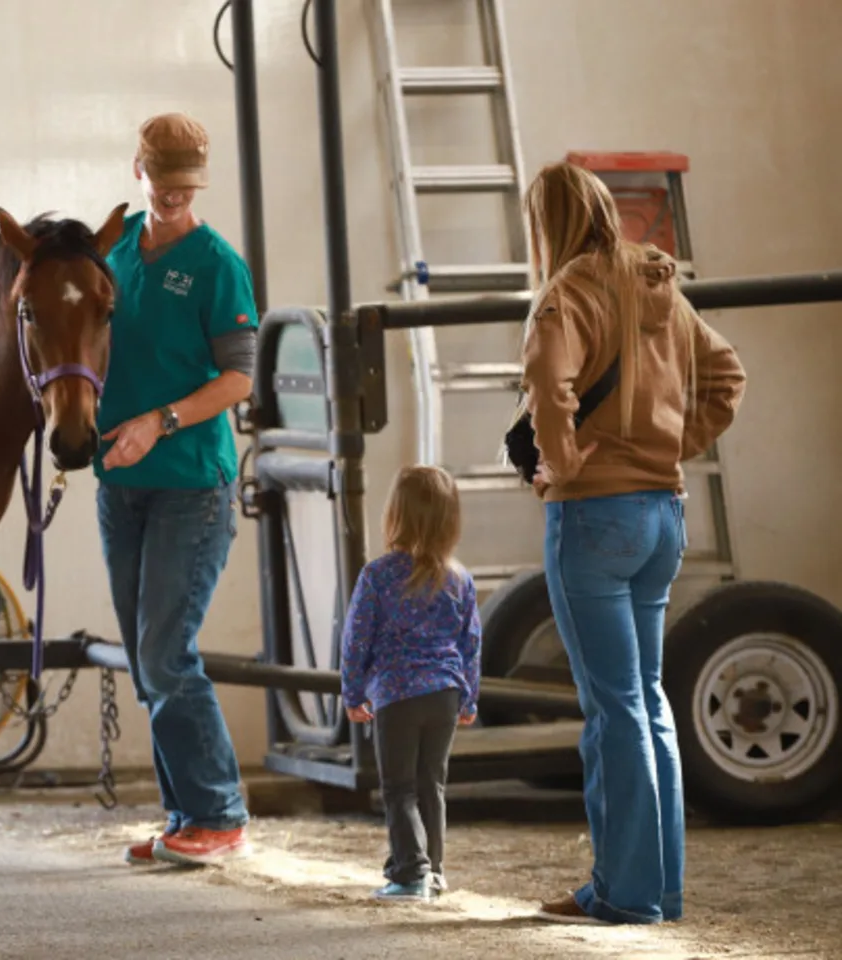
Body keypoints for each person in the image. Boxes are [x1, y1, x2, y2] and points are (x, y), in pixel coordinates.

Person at [518, 162, 746, 925]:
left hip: (594, 519)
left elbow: (550, 385)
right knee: (647, 703)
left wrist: (564, 463)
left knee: (612, 709)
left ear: (545, 224)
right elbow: (727, 375)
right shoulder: (660, 287)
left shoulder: (566, 294)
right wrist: (673, 445)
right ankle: (656, 886)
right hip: (662, 516)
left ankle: (623, 893)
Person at [96, 112, 259, 867]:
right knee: (144, 657)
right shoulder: (119, 252)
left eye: (184, 190)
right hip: (121, 483)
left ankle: (220, 813)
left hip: (190, 482)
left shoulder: (217, 262)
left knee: (165, 651)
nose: (171, 202)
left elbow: (238, 376)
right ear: (139, 170)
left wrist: (159, 422)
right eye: (162, 188)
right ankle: (184, 814)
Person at [340, 465, 481, 901]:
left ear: (395, 515)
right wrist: (469, 698)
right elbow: (471, 641)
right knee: (429, 786)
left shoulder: (378, 575)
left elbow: (355, 640)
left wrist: (352, 691)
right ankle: (433, 870)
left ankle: (409, 873)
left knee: (398, 788)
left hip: (397, 696)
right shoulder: (459, 579)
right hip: (444, 693)